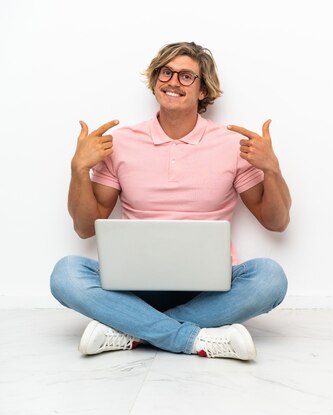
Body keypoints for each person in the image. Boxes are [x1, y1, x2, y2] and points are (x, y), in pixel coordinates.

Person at [50, 41, 291, 361]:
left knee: (270, 279)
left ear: (203, 90)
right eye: (166, 72)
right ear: (154, 81)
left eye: (186, 76)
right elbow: (84, 227)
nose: (173, 81)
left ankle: (128, 329)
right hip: (134, 284)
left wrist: (272, 169)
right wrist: (78, 168)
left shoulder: (232, 145)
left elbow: (276, 222)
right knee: (65, 274)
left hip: (209, 287)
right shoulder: (121, 142)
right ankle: (191, 337)